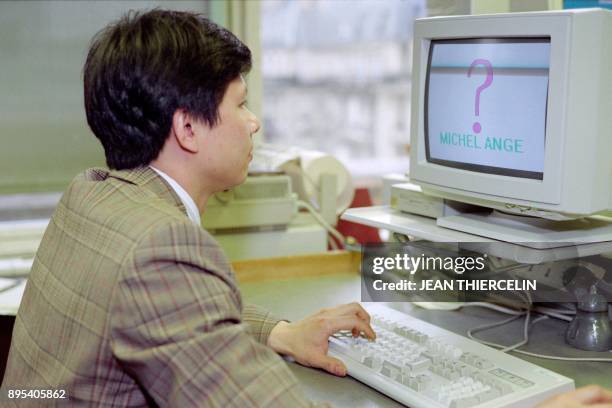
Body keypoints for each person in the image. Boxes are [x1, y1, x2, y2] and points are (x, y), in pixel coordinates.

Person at [1, 9, 374, 406]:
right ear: (188, 129)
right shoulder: (161, 248)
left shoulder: (90, 193)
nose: (254, 123)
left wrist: (280, 333)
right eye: (241, 104)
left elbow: (174, 313)